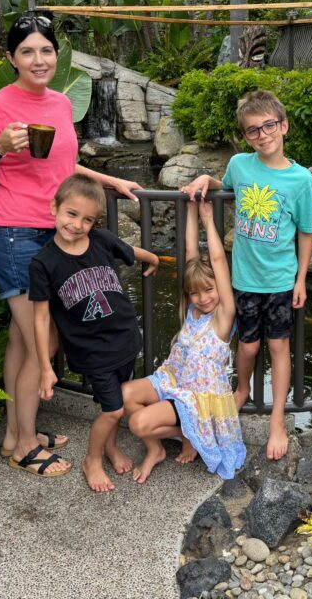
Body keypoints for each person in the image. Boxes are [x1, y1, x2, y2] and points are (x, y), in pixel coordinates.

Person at [0, 14, 141, 479]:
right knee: (46, 338)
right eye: (27, 52)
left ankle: (17, 434)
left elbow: (68, 165)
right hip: (15, 234)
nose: (38, 60)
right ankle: (23, 445)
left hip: (57, 235)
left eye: (46, 50)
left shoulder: (61, 104)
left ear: (56, 55)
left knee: (23, 338)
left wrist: (110, 180)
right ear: (11, 58)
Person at [182, 91, 312, 461]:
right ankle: (241, 389)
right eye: (253, 130)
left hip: (280, 281)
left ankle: (277, 419)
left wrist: (302, 278)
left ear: (283, 125)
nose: (262, 134)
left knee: (279, 348)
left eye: (269, 126)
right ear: (245, 136)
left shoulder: (300, 179)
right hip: (243, 279)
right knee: (247, 346)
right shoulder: (241, 166)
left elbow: (307, 231)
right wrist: (204, 178)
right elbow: (224, 185)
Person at [29, 175, 159, 490]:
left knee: (114, 403)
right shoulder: (43, 263)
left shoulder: (101, 240)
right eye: (71, 214)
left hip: (125, 339)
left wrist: (152, 258)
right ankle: (92, 459)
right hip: (92, 351)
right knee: (113, 409)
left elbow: (128, 250)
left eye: (87, 219)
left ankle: (112, 447)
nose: (77, 224)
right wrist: (46, 368)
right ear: (54, 209)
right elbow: (41, 318)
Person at [121, 199, 246, 483]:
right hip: (173, 381)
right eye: (195, 293)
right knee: (125, 394)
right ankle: (158, 448)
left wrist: (207, 218)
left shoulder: (223, 316)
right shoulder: (192, 310)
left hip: (198, 399)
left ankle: (192, 433)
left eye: (209, 290)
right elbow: (191, 255)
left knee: (138, 422)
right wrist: (189, 209)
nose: (203, 298)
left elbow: (217, 262)